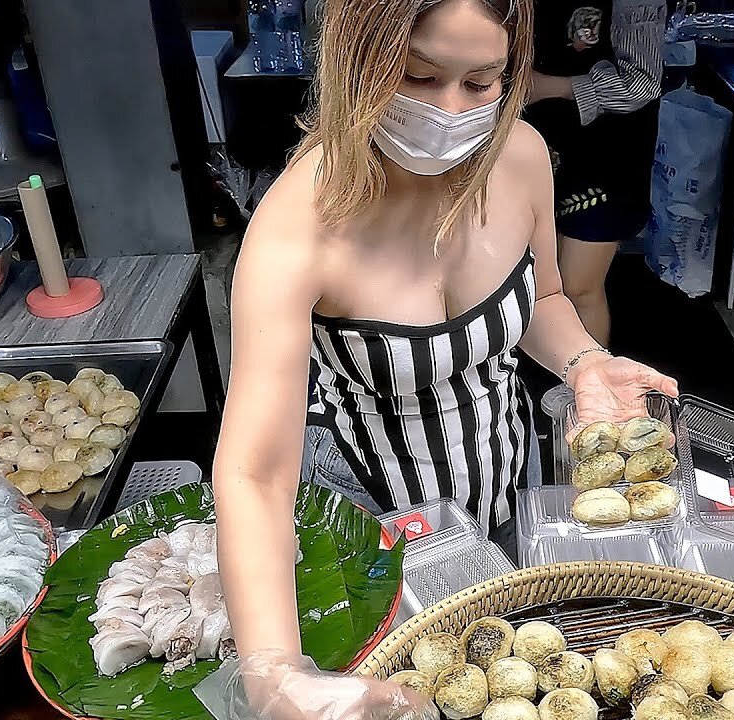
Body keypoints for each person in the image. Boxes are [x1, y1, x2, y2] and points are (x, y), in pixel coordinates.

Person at [213, 0, 677, 716]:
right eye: (419, 77)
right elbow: (253, 472)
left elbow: (545, 295)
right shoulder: (298, 228)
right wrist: (274, 672)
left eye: (481, 81)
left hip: (499, 470)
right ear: (357, 62)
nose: (451, 109)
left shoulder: (519, 158)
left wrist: (585, 360)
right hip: (370, 516)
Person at [523, 0, 666, 345]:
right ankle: (550, 374)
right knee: (541, 280)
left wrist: (544, 86)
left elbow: (641, 85)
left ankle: (587, 390)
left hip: (606, 155)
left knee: (578, 287)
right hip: (540, 144)